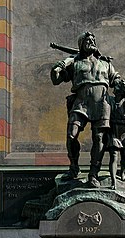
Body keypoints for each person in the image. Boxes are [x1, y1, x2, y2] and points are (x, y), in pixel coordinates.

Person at [51, 31, 120, 187]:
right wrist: (57, 67)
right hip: (81, 103)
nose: (91, 42)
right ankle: (74, 167)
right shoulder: (74, 62)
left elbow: (117, 81)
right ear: (81, 45)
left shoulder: (106, 63)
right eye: (87, 40)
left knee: (99, 138)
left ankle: (93, 174)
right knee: (71, 136)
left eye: (93, 40)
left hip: (102, 103)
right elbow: (56, 80)